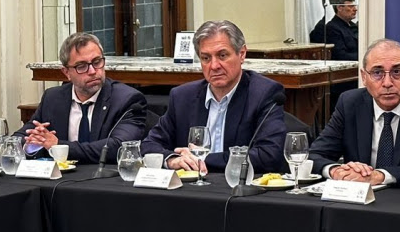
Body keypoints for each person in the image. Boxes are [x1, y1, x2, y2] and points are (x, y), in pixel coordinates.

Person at [142, 20, 287, 174]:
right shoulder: (182, 97)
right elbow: (149, 145)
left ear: (242, 54)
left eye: (222, 56)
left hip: (239, 185)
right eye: (206, 58)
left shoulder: (264, 94)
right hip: (190, 186)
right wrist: (172, 160)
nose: (214, 66)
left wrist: (202, 160)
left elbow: (268, 155)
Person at [308, 39, 400, 186]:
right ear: (364, 77)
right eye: (377, 73)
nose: (387, 83)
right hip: (358, 197)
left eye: (397, 72)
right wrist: (336, 171)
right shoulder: (350, 103)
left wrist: (379, 176)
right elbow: (314, 156)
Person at [17, 32, 147, 163]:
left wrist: (58, 146)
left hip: (104, 174)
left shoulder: (127, 100)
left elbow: (119, 147)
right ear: (66, 73)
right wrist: (33, 142)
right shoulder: (52, 98)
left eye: (97, 62)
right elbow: (20, 138)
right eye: (82, 66)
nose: (92, 71)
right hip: (59, 174)